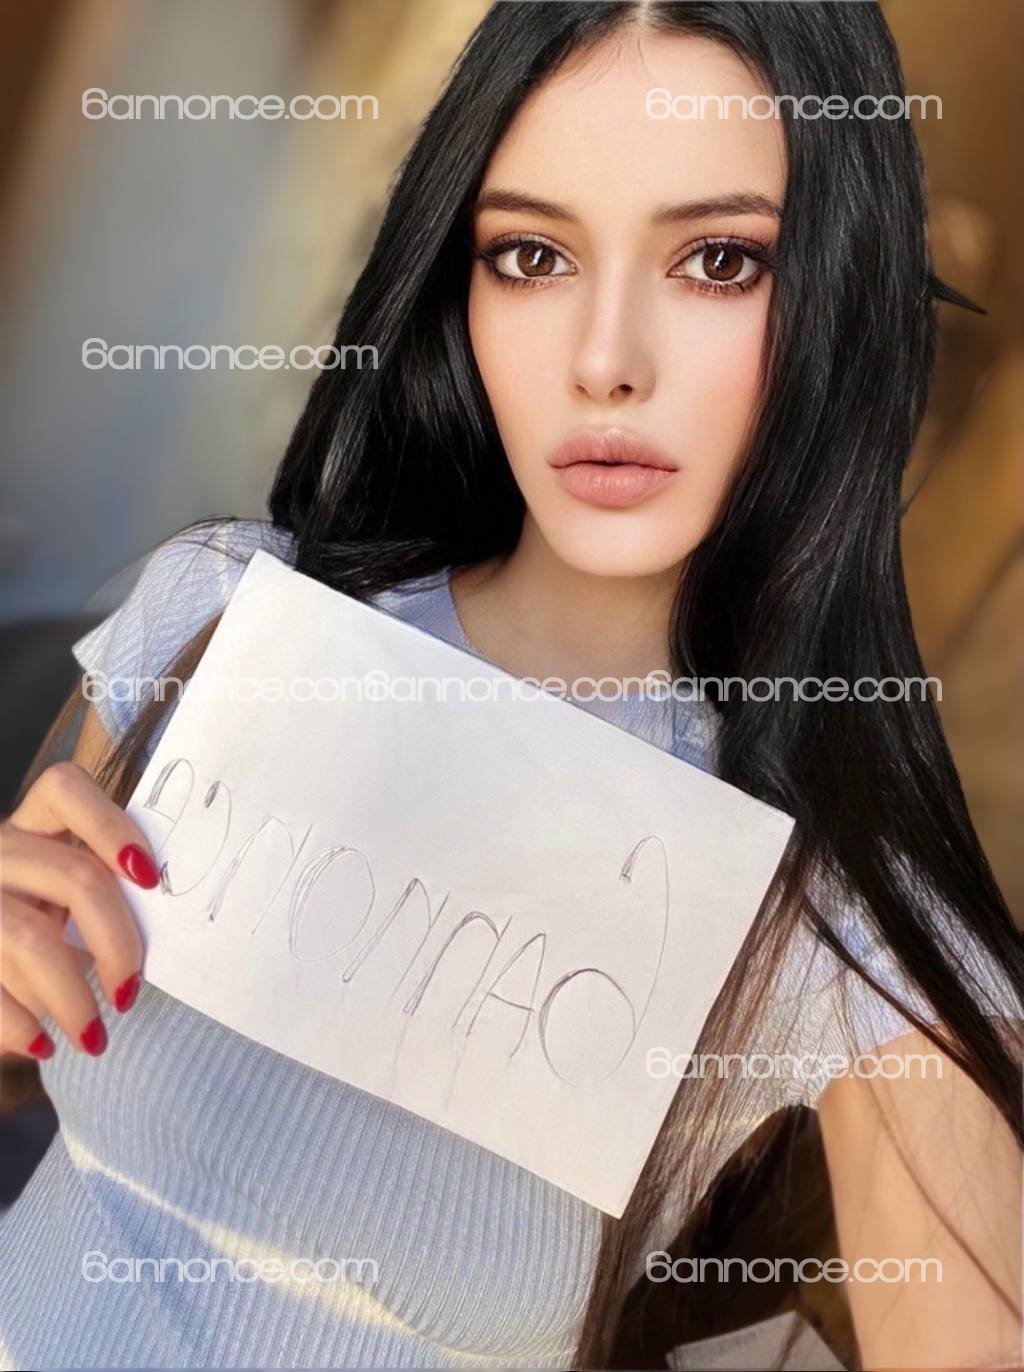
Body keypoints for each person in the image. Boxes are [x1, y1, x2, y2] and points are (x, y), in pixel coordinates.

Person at [1, 4, 1021, 1369]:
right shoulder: (216, 613)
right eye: (534, 255)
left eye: (718, 262)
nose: (606, 360)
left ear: (843, 292)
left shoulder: (830, 910)